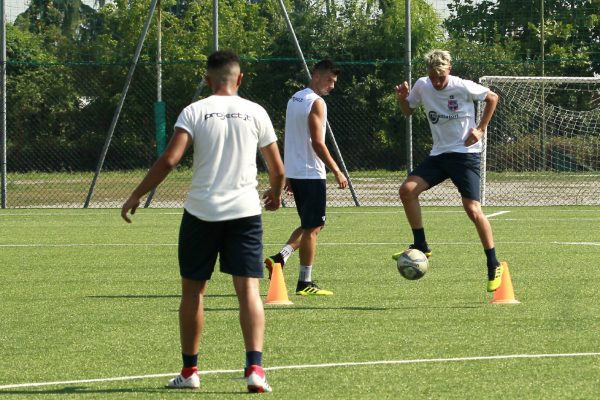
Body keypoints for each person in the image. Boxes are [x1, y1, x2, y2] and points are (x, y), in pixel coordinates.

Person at [121, 50, 284, 393]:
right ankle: (255, 368)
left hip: (201, 212)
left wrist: (137, 194)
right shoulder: (256, 112)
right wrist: (275, 193)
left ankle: (190, 371)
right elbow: (278, 169)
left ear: (208, 79)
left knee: (193, 292)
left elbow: (170, 159)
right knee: (249, 291)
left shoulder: (194, 111)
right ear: (240, 79)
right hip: (245, 212)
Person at [393, 49, 504, 292]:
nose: (436, 82)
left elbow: (492, 97)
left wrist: (480, 129)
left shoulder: (463, 86)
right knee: (407, 191)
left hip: (465, 155)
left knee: (473, 209)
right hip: (439, 154)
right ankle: (421, 245)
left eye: (440, 77)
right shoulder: (422, 85)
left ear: (449, 70)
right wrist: (402, 98)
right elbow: (408, 111)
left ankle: (493, 263)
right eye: (433, 77)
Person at [264, 59, 348, 296]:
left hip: (297, 171)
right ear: (317, 75)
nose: (332, 86)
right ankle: (305, 282)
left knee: (312, 224)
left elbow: (292, 137)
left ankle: (280, 259)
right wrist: (337, 170)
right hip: (311, 173)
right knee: (313, 227)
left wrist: (289, 173)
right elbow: (317, 143)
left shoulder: (295, 99)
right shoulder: (316, 103)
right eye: (330, 80)